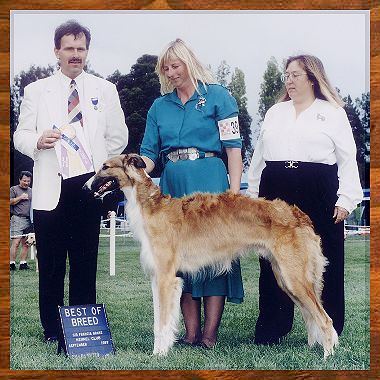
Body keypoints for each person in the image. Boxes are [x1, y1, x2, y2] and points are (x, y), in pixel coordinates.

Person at [13, 20, 128, 342]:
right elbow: (18, 135)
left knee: (84, 262)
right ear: (57, 51)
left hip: (88, 189)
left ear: (87, 51)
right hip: (51, 189)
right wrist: (38, 140)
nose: (75, 55)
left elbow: (119, 137)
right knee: (50, 265)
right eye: (69, 49)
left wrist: (96, 159)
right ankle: (52, 329)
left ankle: (83, 328)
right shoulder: (36, 91)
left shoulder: (105, 90)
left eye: (81, 49)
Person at [246, 54, 363, 345]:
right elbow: (259, 157)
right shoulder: (275, 112)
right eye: (286, 75)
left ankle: (328, 328)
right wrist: (252, 196)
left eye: (295, 74)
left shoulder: (333, 112)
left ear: (312, 77)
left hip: (319, 189)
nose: (289, 79)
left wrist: (346, 199)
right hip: (275, 191)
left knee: (327, 260)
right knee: (273, 261)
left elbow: (348, 158)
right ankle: (272, 328)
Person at [140, 38, 244, 349]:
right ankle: (190, 333)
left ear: (189, 62)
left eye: (176, 65)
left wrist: (234, 195)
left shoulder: (218, 96)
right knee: (179, 259)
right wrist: (131, 164)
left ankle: (210, 336)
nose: (171, 72)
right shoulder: (159, 106)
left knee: (214, 256)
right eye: (166, 68)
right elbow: (148, 154)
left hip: (211, 180)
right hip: (172, 185)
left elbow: (234, 149)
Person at [10, 171, 33, 271]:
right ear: (20, 179)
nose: (26, 183)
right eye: (24, 180)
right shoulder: (14, 189)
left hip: (28, 220)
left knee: (26, 243)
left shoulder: (31, 190)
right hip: (17, 219)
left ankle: (23, 263)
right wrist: (20, 197)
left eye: (28, 181)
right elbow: (9, 201)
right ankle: (11, 264)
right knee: (16, 242)